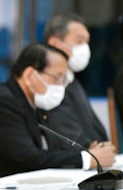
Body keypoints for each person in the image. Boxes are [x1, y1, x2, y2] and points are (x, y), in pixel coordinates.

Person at [0, 43, 116, 178]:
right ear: (30, 75)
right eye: (57, 78)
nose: (61, 86)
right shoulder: (3, 102)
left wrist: (87, 151)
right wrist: (87, 159)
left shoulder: (31, 102)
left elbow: (49, 150)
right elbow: (30, 159)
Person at [43, 13, 110, 149]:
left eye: (87, 42)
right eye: (79, 41)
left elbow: (96, 130)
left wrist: (104, 148)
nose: (85, 48)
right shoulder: (49, 87)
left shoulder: (73, 82)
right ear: (55, 43)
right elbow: (66, 139)